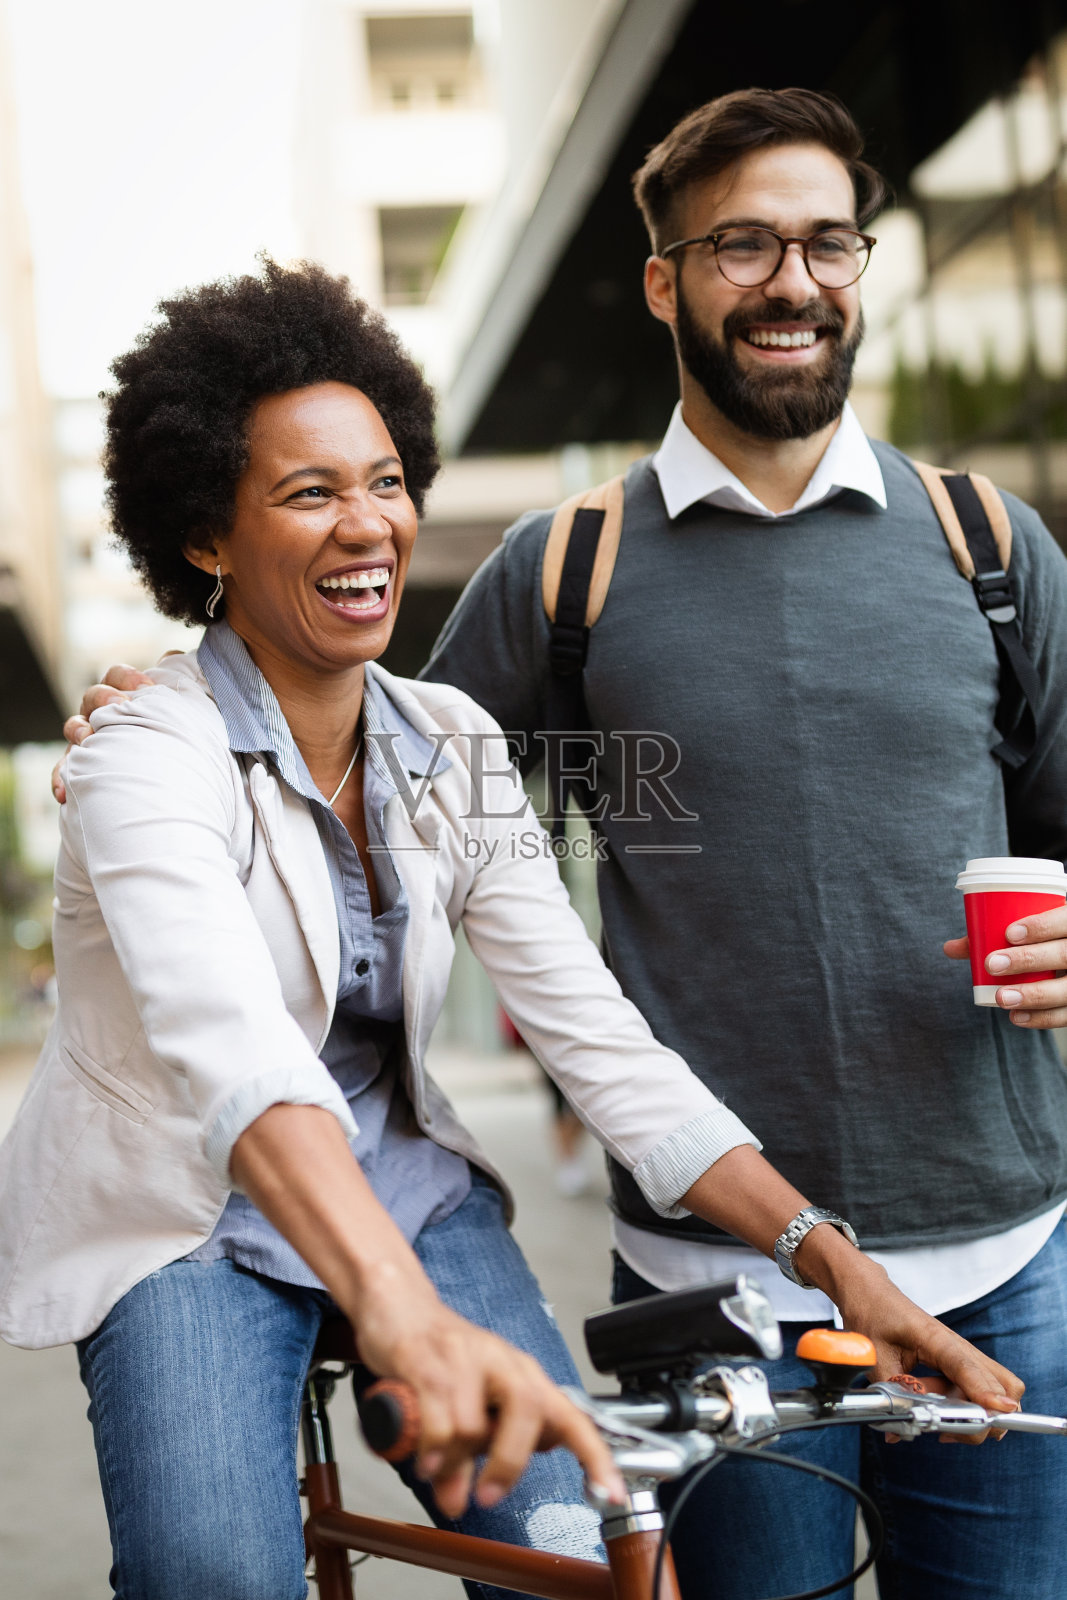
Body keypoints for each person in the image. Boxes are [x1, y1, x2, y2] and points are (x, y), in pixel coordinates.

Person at [10, 259, 1018, 1600]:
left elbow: (599, 1039)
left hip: (407, 1195)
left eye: (382, 481)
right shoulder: (146, 756)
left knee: (583, 1556)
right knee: (212, 1574)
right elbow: (236, 1055)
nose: (366, 525)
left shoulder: (452, 744)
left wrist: (836, 1265)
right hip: (187, 1213)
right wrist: (405, 1326)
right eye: (308, 493)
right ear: (206, 535)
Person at [415, 91, 1067, 1598]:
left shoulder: (988, 545)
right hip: (720, 1290)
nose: (794, 281)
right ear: (666, 282)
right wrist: (194, 699)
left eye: (829, 242)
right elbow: (397, 822)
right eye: (744, 246)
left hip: (1005, 1261)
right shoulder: (561, 574)